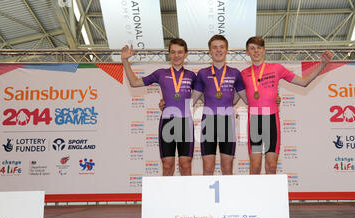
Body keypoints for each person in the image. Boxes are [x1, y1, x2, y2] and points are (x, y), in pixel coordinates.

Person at [241, 36, 333, 174]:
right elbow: (235, 96)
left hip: (272, 119)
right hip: (254, 121)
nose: (256, 51)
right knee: (255, 167)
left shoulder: (276, 68)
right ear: (247, 52)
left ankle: (271, 196)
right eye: (252, 48)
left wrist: (322, 65)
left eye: (259, 48)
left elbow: (303, 82)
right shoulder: (243, 74)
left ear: (264, 50)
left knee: (271, 167)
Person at [121, 38, 196, 176]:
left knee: (185, 165)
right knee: (167, 166)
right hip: (167, 123)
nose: (176, 55)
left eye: (180, 52)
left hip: (185, 123)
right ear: (169, 54)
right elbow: (134, 82)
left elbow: (205, 95)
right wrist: (125, 61)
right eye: (173, 52)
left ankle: (186, 197)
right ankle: (166, 197)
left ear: (186, 54)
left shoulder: (192, 75)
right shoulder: (161, 73)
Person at [194, 35, 247, 175]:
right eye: (215, 47)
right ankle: (206, 197)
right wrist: (168, 104)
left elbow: (246, 98)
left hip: (227, 122)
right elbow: (192, 99)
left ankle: (228, 197)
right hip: (208, 122)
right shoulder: (202, 73)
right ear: (210, 51)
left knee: (227, 168)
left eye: (221, 47)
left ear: (227, 50)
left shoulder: (235, 73)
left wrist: (271, 99)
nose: (218, 50)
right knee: (208, 168)